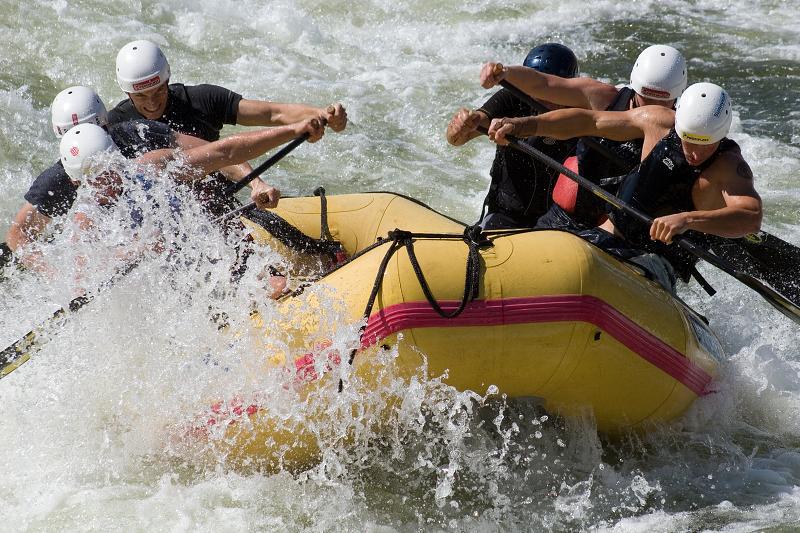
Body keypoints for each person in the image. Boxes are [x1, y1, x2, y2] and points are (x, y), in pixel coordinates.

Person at [487, 82, 763, 286]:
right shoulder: (659, 121)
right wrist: (524, 125)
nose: (693, 151)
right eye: (687, 138)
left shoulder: (730, 168)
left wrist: (688, 219)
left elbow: (750, 216)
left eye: (704, 144)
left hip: (653, 263)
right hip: (602, 238)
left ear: (721, 134)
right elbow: (590, 121)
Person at [3, 86, 246, 273]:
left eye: (94, 132)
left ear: (106, 124)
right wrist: (57, 275)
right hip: (126, 250)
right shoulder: (60, 179)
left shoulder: (136, 133)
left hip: (178, 220)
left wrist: (256, 183)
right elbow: (19, 235)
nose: (87, 141)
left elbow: (214, 153)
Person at [108, 39, 348, 216]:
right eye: (141, 96)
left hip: (222, 206)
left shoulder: (202, 99)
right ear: (127, 92)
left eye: (158, 90)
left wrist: (321, 114)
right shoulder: (117, 128)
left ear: (167, 79)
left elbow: (273, 114)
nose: (151, 103)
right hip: (163, 220)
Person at [480, 44, 688, 227]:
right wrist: (506, 73)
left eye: (662, 102)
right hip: (568, 219)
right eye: (644, 97)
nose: (652, 111)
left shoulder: (688, 133)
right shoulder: (605, 98)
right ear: (635, 86)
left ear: (677, 96)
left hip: (625, 232)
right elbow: (545, 84)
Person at [446, 43, 579, 228]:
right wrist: (460, 128)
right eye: (538, 91)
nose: (545, 98)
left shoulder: (583, 111)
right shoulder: (513, 99)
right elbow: (463, 135)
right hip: (507, 214)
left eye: (553, 89)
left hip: (559, 220)